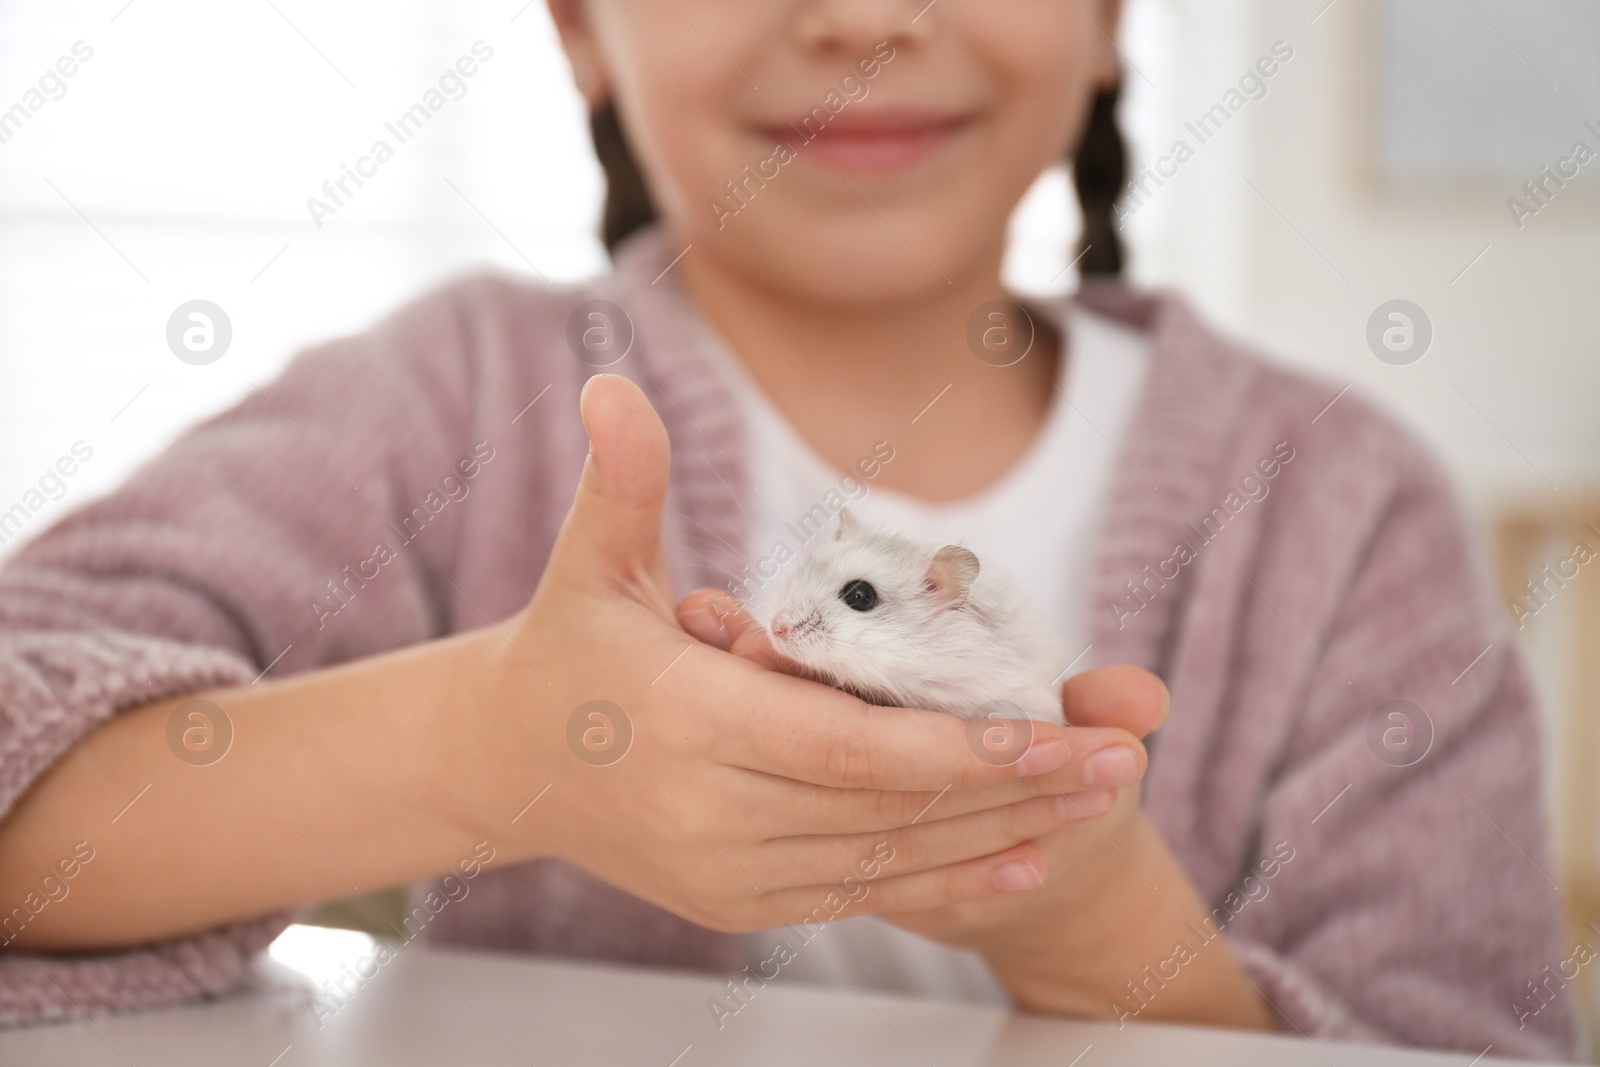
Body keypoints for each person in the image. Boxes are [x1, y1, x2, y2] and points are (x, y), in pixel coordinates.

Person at [0, 0, 1578, 1058]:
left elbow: (1459, 1043)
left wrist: (1091, 913)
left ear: (1109, 20)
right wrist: (489, 747)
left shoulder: (1340, 501)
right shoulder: (447, 398)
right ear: (577, 31)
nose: (861, 17)